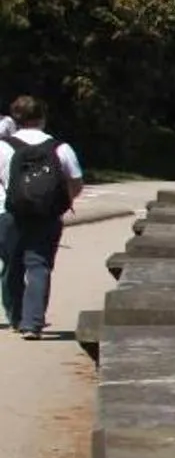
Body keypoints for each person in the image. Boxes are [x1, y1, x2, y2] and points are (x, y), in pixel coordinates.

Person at [2, 97, 83, 339]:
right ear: (43, 118)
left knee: (11, 266)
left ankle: (16, 317)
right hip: (47, 216)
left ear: (15, 119)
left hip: (7, 214)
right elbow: (76, 181)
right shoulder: (60, 147)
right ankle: (33, 323)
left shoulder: (3, 147)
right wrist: (62, 202)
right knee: (39, 266)